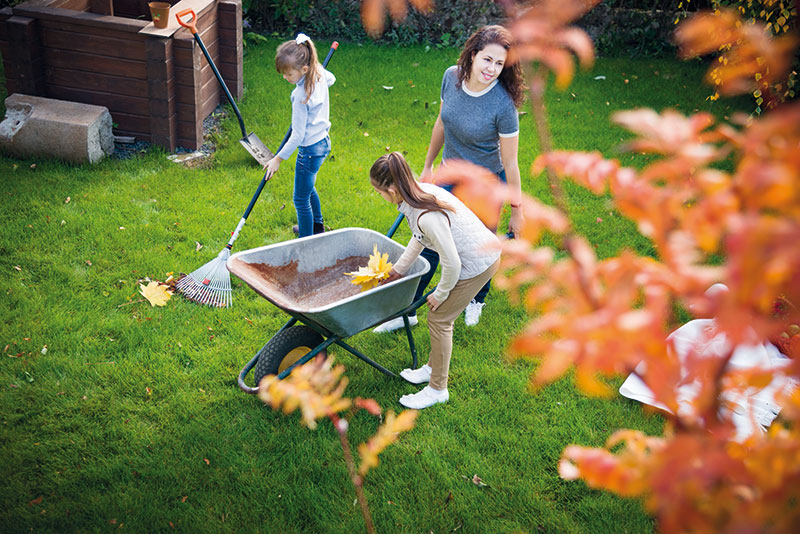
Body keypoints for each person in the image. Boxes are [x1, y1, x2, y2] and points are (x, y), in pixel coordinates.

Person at [373, 24, 524, 333]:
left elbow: (510, 161)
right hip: (448, 173)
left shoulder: (503, 105)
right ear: (472, 55)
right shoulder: (450, 78)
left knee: (479, 248)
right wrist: (428, 165)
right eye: (487, 60)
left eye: (500, 64)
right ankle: (409, 309)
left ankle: (475, 299)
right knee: (427, 235)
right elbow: (441, 123)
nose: (492, 69)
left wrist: (517, 210)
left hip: (484, 185)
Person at [371, 152, 501, 409]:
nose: (379, 196)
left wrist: (441, 293)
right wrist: (398, 270)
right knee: (439, 318)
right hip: (476, 255)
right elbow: (420, 238)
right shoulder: (420, 194)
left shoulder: (426, 215)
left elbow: (452, 263)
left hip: (478, 264)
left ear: (394, 189)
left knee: (440, 319)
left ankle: (438, 388)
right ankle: (433, 368)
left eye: (379, 191)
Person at [264, 33, 335, 237]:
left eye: (289, 74)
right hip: (323, 143)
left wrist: (277, 159)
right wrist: (316, 69)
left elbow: (297, 135)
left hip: (309, 149)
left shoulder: (300, 96)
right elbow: (332, 79)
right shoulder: (319, 74)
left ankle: (305, 240)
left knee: (300, 199)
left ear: (304, 69)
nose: (285, 78)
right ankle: (317, 226)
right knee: (308, 186)